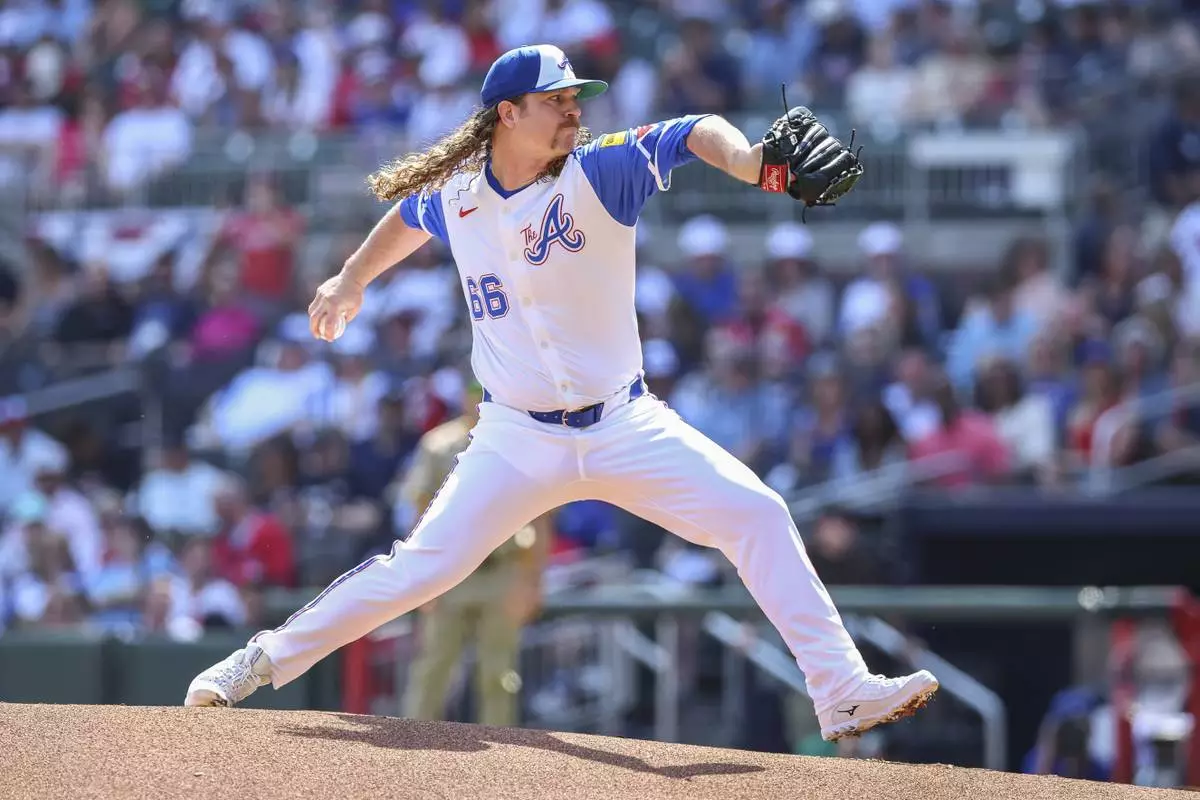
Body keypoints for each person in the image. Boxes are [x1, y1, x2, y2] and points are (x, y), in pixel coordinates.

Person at [185, 44, 937, 742]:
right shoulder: (459, 195)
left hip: (625, 423)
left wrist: (748, 162)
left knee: (759, 514)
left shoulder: (600, 170)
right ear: (509, 113)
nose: (575, 109)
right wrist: (351, 279)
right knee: (419, 568)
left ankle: (840, 688)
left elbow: (693, 131)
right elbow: (407, 215)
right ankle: (260, 661)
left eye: (577, 97)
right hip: (517, 436)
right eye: (557, 99)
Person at [400, 378, 550, 727]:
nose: (479, 401)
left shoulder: (521, 442)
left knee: (499, 673)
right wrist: (420, 577)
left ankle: (498, 749)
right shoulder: (439, 444)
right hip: (450, 570)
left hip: (503, 569)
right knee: (434, 666)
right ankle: (411, 741)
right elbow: (420, 511)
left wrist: (532, 580)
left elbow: (542, 515)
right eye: (474, 394)